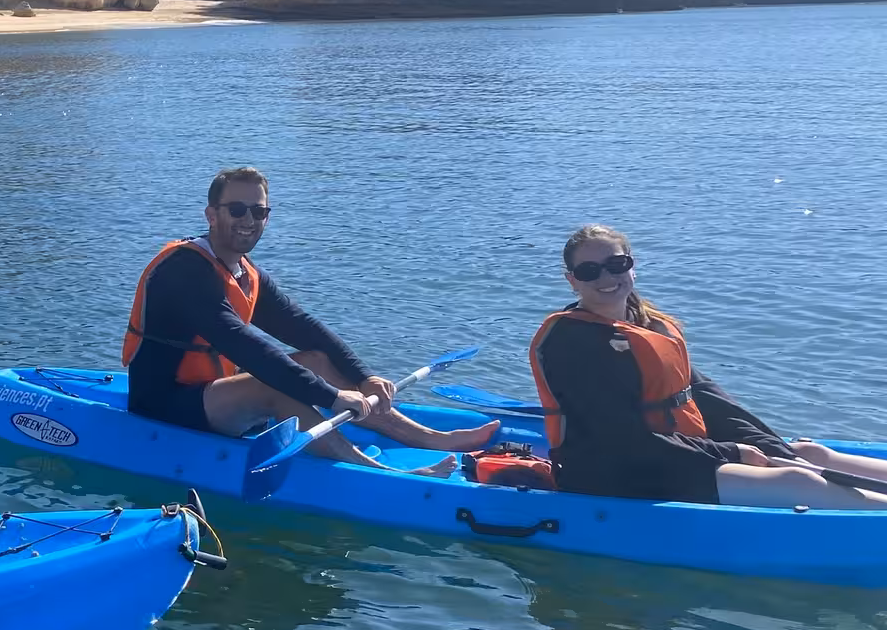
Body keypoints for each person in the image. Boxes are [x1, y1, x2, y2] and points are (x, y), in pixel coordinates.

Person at [122, 168, 496, 470]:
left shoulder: (243, 271)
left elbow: (303, 328)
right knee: (273, 386)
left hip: (213, 390)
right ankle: (374, 471)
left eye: (259, 211)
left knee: (317, 359)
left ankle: (430, 438)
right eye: (237, 209)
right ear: (211, 214)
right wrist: (332, 398)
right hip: (164, 402)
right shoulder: (183, 272)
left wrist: (363, 377)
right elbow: (245, 346)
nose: (248, 220)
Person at [530, 224, 887, 508]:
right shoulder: (571, 343)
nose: (607, 279)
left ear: (632, 265)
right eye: (590, 271)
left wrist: (766, 444)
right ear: (572, 279)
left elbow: (703, 395)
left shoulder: (647, 323)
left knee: (809, 455)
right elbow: (619, 436)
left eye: (616, 265)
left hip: (674, 451)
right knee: (798, 481)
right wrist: (731, 452)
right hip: (615, 468)